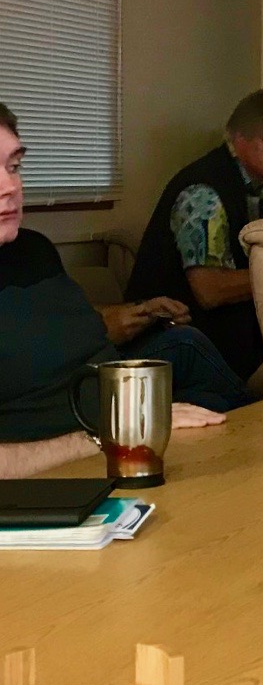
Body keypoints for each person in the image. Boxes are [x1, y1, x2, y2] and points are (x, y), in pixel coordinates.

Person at [0, 104, 243, 478]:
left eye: (13, 166)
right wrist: (111, 435)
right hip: (72, 456)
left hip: (117, 410)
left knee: (199, 371)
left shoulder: (32, 249)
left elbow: (54, 325)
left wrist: (139, 312)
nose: (11, 186)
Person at [126, 88, 263, 382]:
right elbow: (210, 291)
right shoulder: (204, 193)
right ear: (240, 140)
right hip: (180, 345)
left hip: (230, 339)